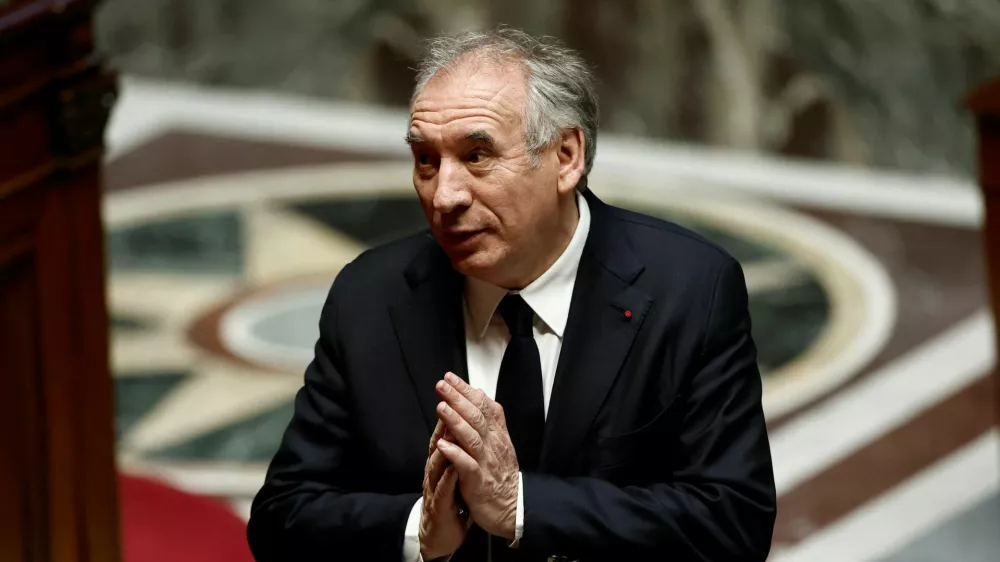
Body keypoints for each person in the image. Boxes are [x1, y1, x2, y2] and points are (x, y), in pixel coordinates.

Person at [246, 27, 776, 562]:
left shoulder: (689, 290)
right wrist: (419, 530)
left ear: (566, 156)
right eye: (426, 160)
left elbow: (732, 522)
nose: (444, 196)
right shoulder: (369, 297)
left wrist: (523, 506)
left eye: (477, 156)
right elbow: (282, 518)